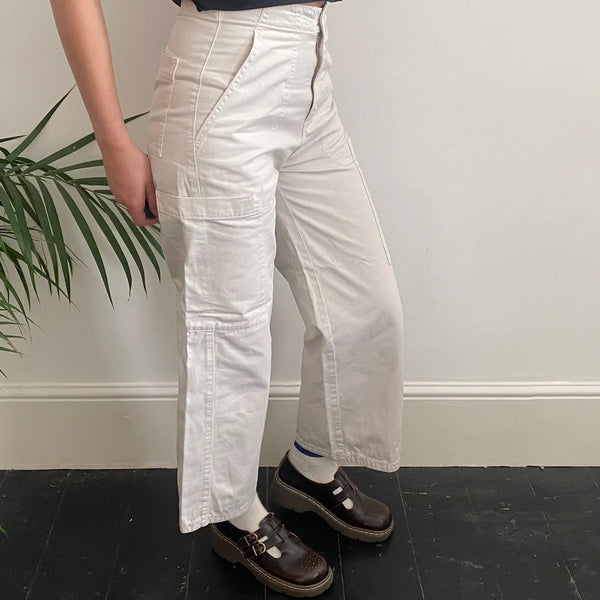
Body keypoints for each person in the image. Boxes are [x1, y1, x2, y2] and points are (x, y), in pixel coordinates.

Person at [49, 0, 404, 596]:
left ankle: (310, 465)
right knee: (229, 325)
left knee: (364, 301)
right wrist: (113, 143)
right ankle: (235, 514)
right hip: (223, 76)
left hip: (310, 70)